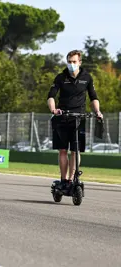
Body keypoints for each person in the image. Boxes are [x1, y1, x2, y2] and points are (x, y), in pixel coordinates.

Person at [47, 49, 103, 189]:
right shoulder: (60, 77)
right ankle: (63, 179)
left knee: (76, 150)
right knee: (63, 150)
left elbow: (93, 97)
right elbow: (51, 96)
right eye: (69, 62)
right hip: (62, 117)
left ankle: (72, 179)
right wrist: (53, 110)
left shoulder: (87, 78)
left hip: (79, 118)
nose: (71, 64)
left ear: (80, 62)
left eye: (74, 62)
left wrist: (97, 111)